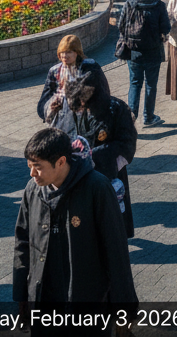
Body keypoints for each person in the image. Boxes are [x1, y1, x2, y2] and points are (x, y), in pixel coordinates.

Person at [14, 128, 137, 312]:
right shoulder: (33, 190)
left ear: (61, 161)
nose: (32, 174)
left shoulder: (97, 189)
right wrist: (21, 296)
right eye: (29, 166)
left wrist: (124, 309)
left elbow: (116, 251)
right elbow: (22, 242)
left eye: (38, 167)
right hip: (43, 298)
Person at [64, 70, 139, 237]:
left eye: (86, 98)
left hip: (110, 173)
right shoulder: (76, 109)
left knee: (112, 218)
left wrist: (101, 158)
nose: (83, 102)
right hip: (81, 173)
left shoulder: (116, 109)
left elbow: (127, 144)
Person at [115, 0, 171, 127]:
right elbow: (165, 28)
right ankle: (149, 117)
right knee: (151, 84)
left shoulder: (130, 2)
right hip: (153, 50)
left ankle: (131, 119)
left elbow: (120, 25)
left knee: (135, 82)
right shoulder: (159, 5)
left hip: (133, 50)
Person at [36, 34, 108, 136]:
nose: (65, 56)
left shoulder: (90, 69)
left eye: (69, 52)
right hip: (60, 123)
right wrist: (51, 107)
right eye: (62, 52)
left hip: (86, 124)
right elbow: (44, 99)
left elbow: (102, 95)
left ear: (77, 53)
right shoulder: (55, 71)